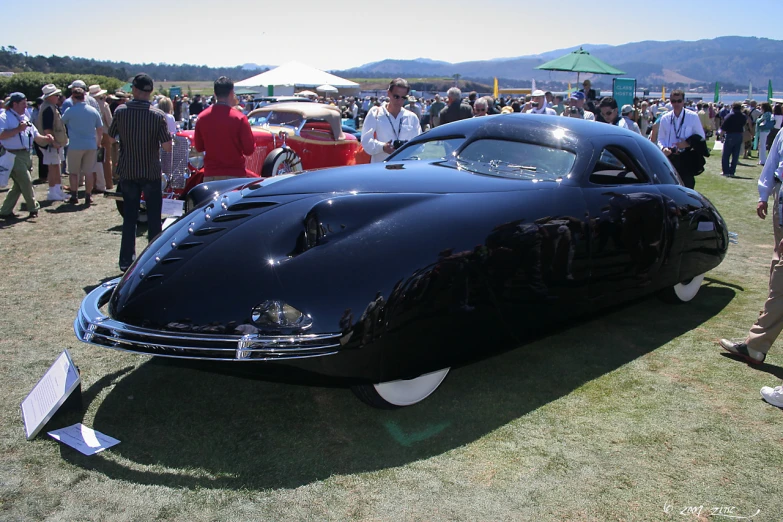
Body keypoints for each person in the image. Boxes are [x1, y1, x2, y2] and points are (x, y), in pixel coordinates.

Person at [720, 129, 783, 371]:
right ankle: (757, 342)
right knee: (777, 272)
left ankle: (756, 343)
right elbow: (773, 164)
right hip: (781, 199)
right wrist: (764, 194)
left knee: (780, 279)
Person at [107, 73, 172, 272]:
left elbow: (110, 139)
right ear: (150, 92)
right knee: (154, 219)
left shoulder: (120, 112)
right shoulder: (157, 115)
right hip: (150, 171)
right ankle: (155, 257)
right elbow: (168, 147)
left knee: (129, 218)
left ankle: (126, 260)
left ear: (134, 90)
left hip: (128, 170)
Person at [0, 93, 57, 219]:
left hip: (26, 153)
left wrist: (45, 138)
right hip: (11, 154)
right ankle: (33, 208)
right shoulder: (4, 117)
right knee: (25, 181)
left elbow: (34, 133)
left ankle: (5, 210)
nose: (26, 105)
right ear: (14, 104)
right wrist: (18, 129)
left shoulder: (25, 115)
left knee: (18, 185)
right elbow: (1, 135)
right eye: (23, 103)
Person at [193, 76, 255, 181]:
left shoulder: (202, 117)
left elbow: (199, 147)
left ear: (215, 94)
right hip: (235, 176)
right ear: (231, 93)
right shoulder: (240, 118)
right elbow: (249, 150)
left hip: (210, 175)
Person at [361, 78, 421, 163]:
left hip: (405, 168)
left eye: (403, 97)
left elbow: (420, 146)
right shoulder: (375, 113)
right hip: (381, 168)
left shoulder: (412, 117)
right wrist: (383, 147)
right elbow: (366, 142)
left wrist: (406, 148)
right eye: (396, 96)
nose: (399, 101)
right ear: (388, 93)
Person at [61, 88, 103, 205]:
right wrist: (98, 142)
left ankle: (74, 195)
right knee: (89, 172)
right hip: (90, 144)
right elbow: (99, 129)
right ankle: (88, 196)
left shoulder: (70, 111)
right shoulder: (93, 111)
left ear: (73, 97)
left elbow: (61, 122)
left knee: (74, 172)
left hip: (75, 145)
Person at [656, 89, 705, 189]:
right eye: (673, 101)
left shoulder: (692, 117)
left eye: (679, 101)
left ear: (683, 101)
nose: (676, 104)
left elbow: (701, 137)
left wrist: (687, 143)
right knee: (669, 187)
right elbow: (660, 138)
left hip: (686, 157)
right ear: (670, 102)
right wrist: (663, 148)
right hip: (670, 157)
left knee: (687, 187)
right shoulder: (665, 118)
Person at [35, 84, 68, 201]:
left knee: (56, 166)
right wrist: (53, 142)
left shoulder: (50, 106)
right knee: (53, 167)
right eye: (56, 95)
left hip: (53, 143)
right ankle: (53, 192)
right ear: (49, 97)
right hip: (50, 144)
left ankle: (58, 191)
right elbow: (47, 128)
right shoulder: (48, 108)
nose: (58, 97)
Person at [719, 102, 746, 178]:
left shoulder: (729, 116)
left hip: (730, 135)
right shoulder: (743, 116)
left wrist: (720, 136)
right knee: (735, 154)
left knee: (726, 154)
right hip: (739, 135)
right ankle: (732, 171)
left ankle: (726, 171)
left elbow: (723, 127)